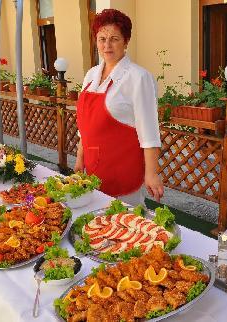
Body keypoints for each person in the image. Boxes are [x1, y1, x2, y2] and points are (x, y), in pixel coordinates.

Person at [74, 8, 164, 206]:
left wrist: (151, 174)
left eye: (114, 38)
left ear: (126, 41)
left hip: (122, 172)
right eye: (101, 39)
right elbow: (84, 127)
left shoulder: (139, 77)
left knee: (124, 228)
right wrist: (80, 159)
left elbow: (149, 132)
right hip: (93, 171)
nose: (107, 45)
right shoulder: (91, 75)